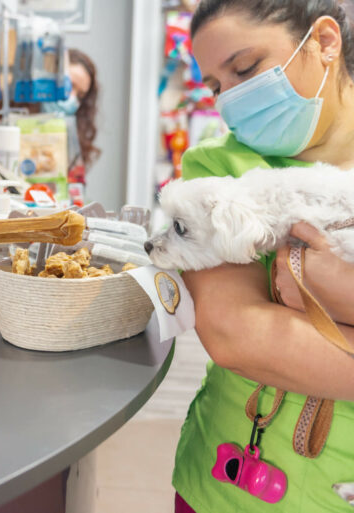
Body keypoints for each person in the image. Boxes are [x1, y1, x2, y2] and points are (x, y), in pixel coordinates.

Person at [173, 1, 354, 512]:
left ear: (324, 41)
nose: (230, 100)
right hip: (237, 480)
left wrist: (333, 289)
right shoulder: (216, 167)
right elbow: (237, 336)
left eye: (246, 69)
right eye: (214, 86)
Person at [42, 48, 101, 184]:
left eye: (80, 95)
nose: (72, 98)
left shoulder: (71, 138)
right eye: (70, 86)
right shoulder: (12, 120)